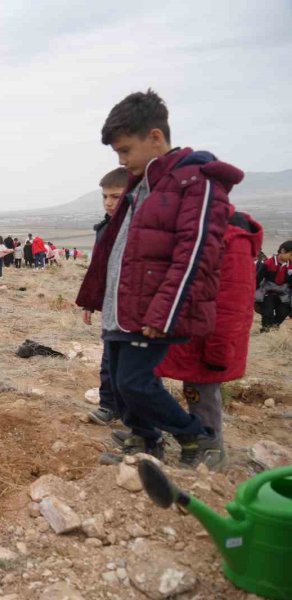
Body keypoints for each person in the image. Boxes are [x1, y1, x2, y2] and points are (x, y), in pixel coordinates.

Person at [76, 89, 238, 468]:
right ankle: (145, 440)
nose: (122, 160)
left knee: (135, 381)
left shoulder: (194, 181)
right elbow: (115, 248)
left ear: (154, 137)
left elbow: (196, 252)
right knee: (119, 381)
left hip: (152, 309)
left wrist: (164, 315)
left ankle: (195, 435)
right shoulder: (141, 184)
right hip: (124, 306)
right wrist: (95, 295)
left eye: (126, 150)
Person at [152, 209, 262, 470]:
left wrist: (219, 349)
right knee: (152, 380)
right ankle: (165, 439)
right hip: (183, 329)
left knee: (201, 392)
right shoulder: (194, 226)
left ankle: (211, 450)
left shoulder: (232, 238)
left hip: (207, 337)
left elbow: (232, 302)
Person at [85, 167, 128, 426]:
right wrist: (91, 300)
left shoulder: (140, 227)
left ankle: (135, 415)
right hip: (111, 306)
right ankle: (108, 405)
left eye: (116, 196)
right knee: (109, 358)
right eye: (105, 197)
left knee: (134, 367)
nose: (109, 203)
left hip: (134, 307)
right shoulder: (105, 229)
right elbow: (98, 269)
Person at [256, 241, 292, 331]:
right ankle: (265, 330)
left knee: (284, 312)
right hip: (269, 292)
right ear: (283, 251)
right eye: (291, 255)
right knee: (267, 312)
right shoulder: (268, 263)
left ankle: (274, 327)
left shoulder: (291, 266)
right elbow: (257, 279)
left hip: (284, 293)